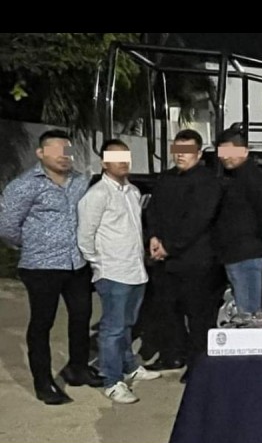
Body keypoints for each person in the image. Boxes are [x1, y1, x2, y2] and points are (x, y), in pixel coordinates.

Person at [0, 130, 101, 404]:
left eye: (67, 151)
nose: (63, 156)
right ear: (40, 153)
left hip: (76, 263)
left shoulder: (80, 182)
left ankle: (78, 368)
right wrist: (34, 244)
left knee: (81, 317)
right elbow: (7, 226)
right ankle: (43, 382)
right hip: (41, 266)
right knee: (42, 323)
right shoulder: (24, 186)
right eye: (56, 151)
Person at [77, 139, 161, 404]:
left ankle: (129, 366)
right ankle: (112, 381)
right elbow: (85, 236)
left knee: (127, 325)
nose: (122, 162)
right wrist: (99, 264)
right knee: (112, 329)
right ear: (104, 163)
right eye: (115, 157)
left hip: (135, 270)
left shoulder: (133, 191)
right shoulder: (97, 195)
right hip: (113, 273)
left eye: (125, 157)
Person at [145, 130, 223, 383]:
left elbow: (198, 220)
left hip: (196, 261)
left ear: (198, 154)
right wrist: (154, 237)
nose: (181, 155)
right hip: (164, 261)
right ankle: (172, 354)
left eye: (187, 151)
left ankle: (198, 363)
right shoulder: (165, 179)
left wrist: (170, 246)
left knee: (199, 316)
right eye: (177, 150)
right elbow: (152, 211)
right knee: (167, 310)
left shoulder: (208, 182)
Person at [215, 126, 262, 315]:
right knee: (243, 313)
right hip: (232, 255)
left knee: (249, 315)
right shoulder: (229, 177)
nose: (226, 157)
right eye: (222, 153)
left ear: (244, 151)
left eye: (231, 152)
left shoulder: (254, 178)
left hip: (248, 256)